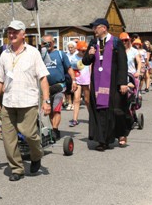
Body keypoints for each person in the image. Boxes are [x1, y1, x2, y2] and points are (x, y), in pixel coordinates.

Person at [0, 20, 50, 181]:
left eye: (15, 32)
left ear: (23, 34)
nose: (11, 35)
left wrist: (46, 100)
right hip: (9, 102)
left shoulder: (33, 53)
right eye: (9, 32)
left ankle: (36, 155)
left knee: (29, 134)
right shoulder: (4, 54)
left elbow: (43, 78)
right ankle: (17, 169)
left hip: (28, 101)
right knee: (8, 138)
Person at [82, 18, 130, 150]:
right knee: (99, 111)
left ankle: (120, 133)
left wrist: (123, 83)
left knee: (115, 110)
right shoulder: (93, 42)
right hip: (97, 83)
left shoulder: (115, 42)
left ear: (103, 28)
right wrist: (90, 55)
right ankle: (102, 141)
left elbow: (122, 63)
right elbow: (85, 61)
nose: (93, 30)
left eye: (95, 27)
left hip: (113, 82)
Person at [41, 35, 76, 140]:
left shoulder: (60, 54)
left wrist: (74, 81)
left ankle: (55, 129)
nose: (48, 45)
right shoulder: (40, 55)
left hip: (59, 86)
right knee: (50, 111)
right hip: (46, 88)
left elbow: (69, 68)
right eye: (45, 43)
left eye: (49, 42)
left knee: (56, 109)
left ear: (53, 42)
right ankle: (54, 129)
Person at [72, 40, 91, 125]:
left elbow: (91, 68)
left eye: (85, 50)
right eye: (82, 50)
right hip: (78, 80)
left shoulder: (88, 57)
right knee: (76, 100)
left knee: (87, 100)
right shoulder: (74, 58)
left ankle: (92, 117)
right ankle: (75, 119)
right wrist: (73, 81)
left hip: (87, 81)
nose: (84, 52)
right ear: (78, 50)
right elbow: (72, 69)